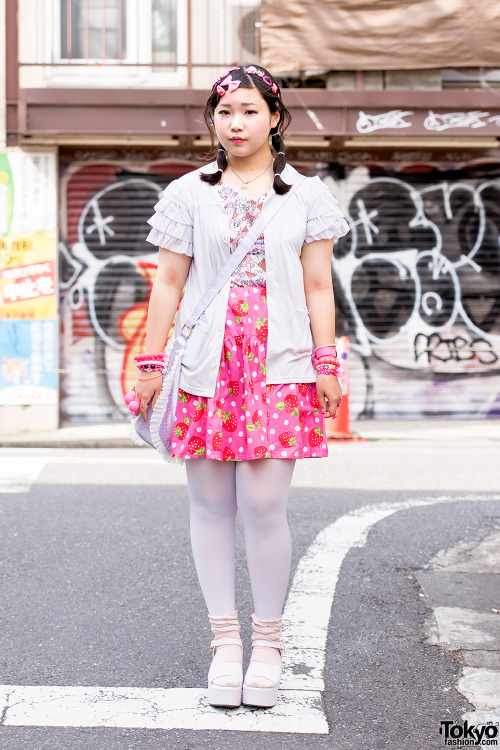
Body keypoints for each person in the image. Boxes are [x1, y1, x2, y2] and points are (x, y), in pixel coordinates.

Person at [133, 64, 349, 709]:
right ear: (213, 121)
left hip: (278, 363)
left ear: (276, 119)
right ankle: (225, 644)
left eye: (251, 111)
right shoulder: (186, 193)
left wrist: (327, 363)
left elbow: (317, 286)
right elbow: (168, 283)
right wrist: (150, 364)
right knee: (209, 506)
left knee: (263, 507)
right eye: (226, 112)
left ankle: (270, 643)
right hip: (206, 364)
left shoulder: (305, 196)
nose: (237, 123)